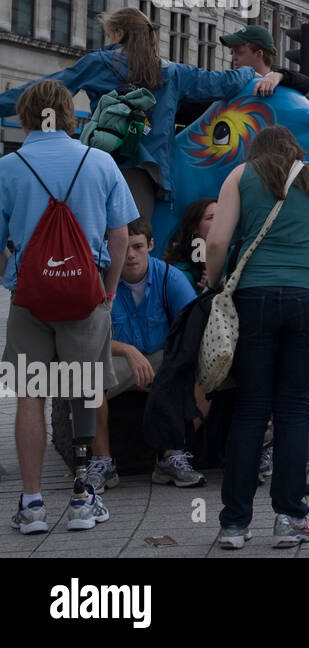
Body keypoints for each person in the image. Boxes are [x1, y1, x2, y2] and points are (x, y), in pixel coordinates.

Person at [1, 81, 135, 534]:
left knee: (31, 396)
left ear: (25, 116)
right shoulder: (100, 163)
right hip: (86, 294)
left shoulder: (9, 166)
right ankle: (82, 498)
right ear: (68, 114)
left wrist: (11, 279)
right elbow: (120, 236)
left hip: (31, 297)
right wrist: (109, 289)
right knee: (83, 391)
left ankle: (33, 503)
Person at [0, 9, 282, 223]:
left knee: (94, 242)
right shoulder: (172, 73)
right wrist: (262, 74)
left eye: (110, 33)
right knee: (135, 248)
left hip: (102, 165)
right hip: (149, 175)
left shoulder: (99, 63)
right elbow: (221, 83)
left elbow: (43, 91)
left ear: (120, 33)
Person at [204, 125, 309, 549]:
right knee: (293, 408)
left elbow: (217, 241)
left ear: (256, 149)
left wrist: (216, 284)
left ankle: (234, 524)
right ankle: (289, 518)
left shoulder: (240, 176)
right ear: (296, 150)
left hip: (256, 296)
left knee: (249, 407)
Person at [88, 218, 203, 492]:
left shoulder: (170, 278)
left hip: (163, 357)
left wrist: (173, 367)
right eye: (123, 247)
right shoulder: (98, 280)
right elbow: (87, 339)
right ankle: (102, 462)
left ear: (150, 245)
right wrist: (126, 350)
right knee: (87, 379)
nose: (129, 255)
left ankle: (172, 456)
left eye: (138, 246)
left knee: (197, 372)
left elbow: (192, 331)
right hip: (116, 359)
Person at [219, 24, 309, 94]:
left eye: (239, 52)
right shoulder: (232, 84)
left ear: (259, 54)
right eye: (232, 52)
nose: (233, 58)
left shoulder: (280, 84)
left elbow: (306, 83)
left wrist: (281, 76)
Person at [162, 197, 217, 292]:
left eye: (222, 216)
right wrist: (208, 292)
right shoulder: (180, 273)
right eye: (211, 217)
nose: (219, 221)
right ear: (194, 227)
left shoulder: (235, 255)